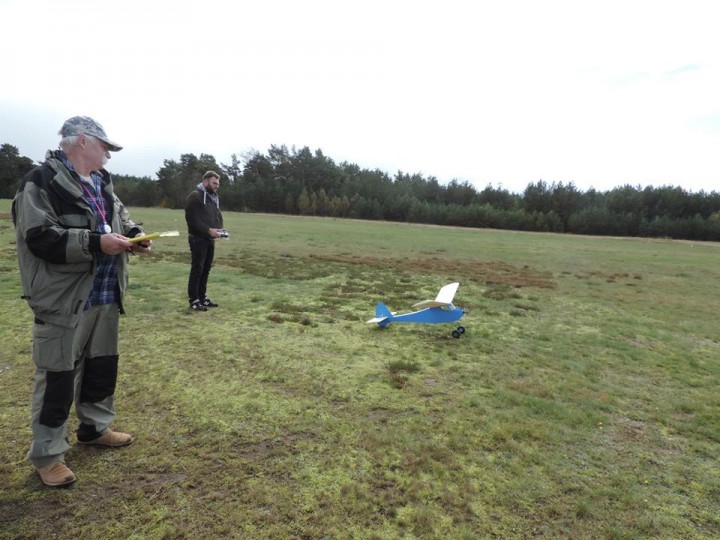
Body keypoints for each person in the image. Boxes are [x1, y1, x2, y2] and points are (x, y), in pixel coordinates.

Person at [12, 116, 153, 487]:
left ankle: (94, 428)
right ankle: (48, 455)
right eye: (104, 146)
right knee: (57, 377)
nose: (108, 153)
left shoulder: (103, 183)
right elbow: (40, 237)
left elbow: (120, 217)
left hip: (106, 294)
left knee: (101, 366)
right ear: (80, 142)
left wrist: (135, 236)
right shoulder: (40, 182)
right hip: (63, 298)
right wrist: (95, 243)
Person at [184, 170, 224, 311]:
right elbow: (192, 220)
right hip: (197, 239)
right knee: (197, 269)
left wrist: (220, 230)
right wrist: (208, 230)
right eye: (214, 183)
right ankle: (193, 300)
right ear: (205, 181)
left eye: (218, 184)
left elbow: (217, 216)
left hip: (209, 239)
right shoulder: (195, 197)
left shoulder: (213, 198)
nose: (216, 186)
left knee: (206, 269)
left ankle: (202, 297)